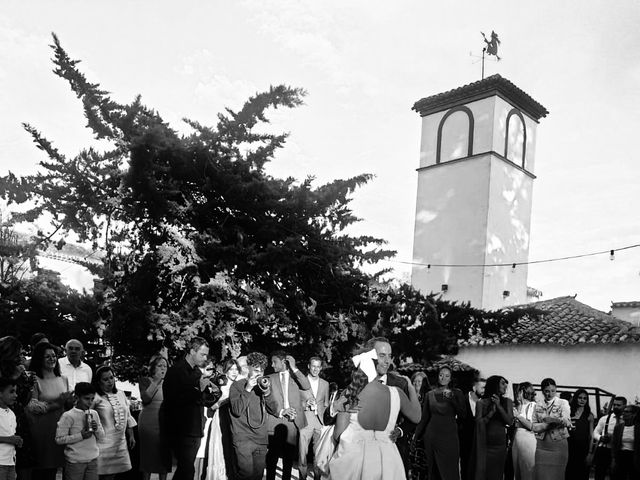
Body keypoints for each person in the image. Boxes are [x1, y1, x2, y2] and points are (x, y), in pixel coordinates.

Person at [328, 347, 422, 479]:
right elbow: (417, 417)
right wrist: (411, 388)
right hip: (388, 458)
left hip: (353, 457)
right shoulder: (397, 393)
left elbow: (338, 433)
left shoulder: (351, 394)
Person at [162, 337, 219, 480]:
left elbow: (204, 400)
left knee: (184, 471)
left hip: (195, 428)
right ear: (192, 351)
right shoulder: (176, 371)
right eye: (203, 354)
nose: (205, 358)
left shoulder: (197, 372)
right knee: (187, 471)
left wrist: (214, 392)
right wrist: (198, 389)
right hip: (181, 430)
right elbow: (172, 400)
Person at [229, 352, 279, 480]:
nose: (259, 374)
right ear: (248, 368)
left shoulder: (263, 386)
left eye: (261, 371)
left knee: (257, 475)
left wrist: (267, 393)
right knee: (245, 474)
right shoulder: (237, 386)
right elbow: (236, 410)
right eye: (256, 370)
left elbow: (274, 410)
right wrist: (248, 389)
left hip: (260, 439)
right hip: (243, 438)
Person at [369, 337, 416, 473]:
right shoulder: (359, 381)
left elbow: (414, 418)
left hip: (394, 452)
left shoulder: (400, 384)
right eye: (382, 355)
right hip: (366, 454)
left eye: (389, 356)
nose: (387, 361)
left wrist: (400, 431)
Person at [27, 342, 71, 480]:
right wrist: (57, 404)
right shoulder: (34, 379)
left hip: (61, 428)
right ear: (39, 359)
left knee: (58, 467)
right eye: (47, 356)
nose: (52, 359)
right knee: (42, 470)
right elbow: (32, 407)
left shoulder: (63, 378)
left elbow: (66, 404)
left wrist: (70, 400)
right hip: (41, 429)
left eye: (54, 356)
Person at [415, 366, 466, 480]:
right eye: (441, 375)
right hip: (431, 437)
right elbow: (424, 419)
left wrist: (452, 399)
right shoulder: (430, 394)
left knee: (450, 472)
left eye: (447, 376)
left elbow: (463, 415)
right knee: (433, 473)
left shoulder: (457, 393)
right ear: (437, 376)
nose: (443, 378)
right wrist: (415, 438)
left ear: (451, 378)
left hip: (449, 438)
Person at [265, 351, 310, 480]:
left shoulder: (295, 378)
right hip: (275, 419)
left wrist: (294, 368)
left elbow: (306, 386)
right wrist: (281, 411)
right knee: (272, 457)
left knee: (288, 458)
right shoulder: (270, 378)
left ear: (284, 362)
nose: (272, 365)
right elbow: (268, 399)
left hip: (292, 422)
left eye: (275, 362)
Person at [92, 365, 136, 480]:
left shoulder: (121, 394)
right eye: (105, 379)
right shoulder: (95, 397)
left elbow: (128, 416)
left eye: (111, 378)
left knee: (113, 475)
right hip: (102, 444)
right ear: (98, 381)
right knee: (100, 474)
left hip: (120, 443)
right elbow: (87, 416)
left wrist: (131, 435)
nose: (110, 381)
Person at [199, 358, 240, 480]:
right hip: (222, 417)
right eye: (231, 369)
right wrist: (226, 401)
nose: (234, 372)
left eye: (236, 369)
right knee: (220, 448)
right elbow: (211, 404)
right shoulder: (219, 383)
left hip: (235, 420)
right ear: (226, 370)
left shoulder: (240, 384)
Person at [55, 382, 105, 480]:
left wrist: (96, 429)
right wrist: (80, 436)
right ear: (77, 398)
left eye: (92, 399)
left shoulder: (94, 413)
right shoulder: (68, 416)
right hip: (75, 462)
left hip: (93, 460)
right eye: (86, 399)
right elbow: (59, 439)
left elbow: (102, 437)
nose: (90, 402)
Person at [0, 336, 34, 480]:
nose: (21, 357)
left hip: (19, 418)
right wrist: (15, 376)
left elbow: (24, 400)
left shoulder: (20, 370)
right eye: (18, 354)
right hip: (2, 418)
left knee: (24, 463)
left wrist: (29, 385)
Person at [472, 375, 514, 480]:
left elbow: (509, 421)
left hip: (500, 446)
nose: (505, 386)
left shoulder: (507, 402)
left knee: (497, 475)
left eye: (506, 384)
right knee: (483, 474)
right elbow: (479, 423)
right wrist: (491, 413)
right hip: (484, 446)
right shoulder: (481, 403)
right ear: (495, 385)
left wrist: (499, 406)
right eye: (502, 383)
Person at [138, 354, 170, 480]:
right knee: (148, 454)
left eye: (165, 366)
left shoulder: (170, 382)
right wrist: (156, 381)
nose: (163, 368)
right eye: (160, 365)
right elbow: (145, 398)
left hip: (165, 422)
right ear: (153, 367)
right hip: (149, 422)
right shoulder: (145, 380)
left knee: (164, 454)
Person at [531, 378, 571, 480]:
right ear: (542, 391)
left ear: (556, 389)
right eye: (547, 391)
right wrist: (544, 425)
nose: (550, 394)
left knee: (557, 475)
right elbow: (534, 424)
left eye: (553, 391)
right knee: (541, 475)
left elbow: (567, 421)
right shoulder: (538, 405)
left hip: (559, 444)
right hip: (541, 445)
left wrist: (553, 420)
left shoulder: (563, 402)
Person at [298, 357, 330, 480]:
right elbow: (295, 402)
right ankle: (302, 477)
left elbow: (326, 404)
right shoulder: (301, 382)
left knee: (318, 455)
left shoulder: (325, 384)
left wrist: (326, 421)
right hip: (305, 421)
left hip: (320, 423)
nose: (315, 369)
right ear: (308, 366)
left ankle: (317, 477)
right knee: (302, 454)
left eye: (318, 366)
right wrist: (305, 404)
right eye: (313, 366)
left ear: (321, 368)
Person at [593, 396, 627, 480]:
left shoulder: (627, 420)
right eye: (614, 405)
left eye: (618, 405)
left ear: (624, 406)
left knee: (617, 475)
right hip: (604, 450)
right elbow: (595, 432)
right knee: (599, 475)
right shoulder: (605, 419)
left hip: (619, 452)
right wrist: (601, 438)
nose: (615, 407)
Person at [460, 376, 486, 480]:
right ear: (474, 388)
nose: (484, 390)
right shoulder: (462, 399)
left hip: (480, 441)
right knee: (465, 466)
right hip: (465, 440)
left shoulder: (485, 402)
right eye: (482, 388)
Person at [566, 388, 594, 480]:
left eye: (585, 398)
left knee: (581, 475)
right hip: (568, 449)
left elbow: (591, 436)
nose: (582, 400)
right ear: (575, 398)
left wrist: (590, 453)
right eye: (580, 398)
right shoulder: (568, 413)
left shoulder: (589, 415)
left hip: (583, 450)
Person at [512, 382, 536, 480]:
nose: (515, 394)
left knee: (528, 470)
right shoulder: (516, 406)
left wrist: (518, 416)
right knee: (517, 471)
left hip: (528, 440)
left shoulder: (532, 405)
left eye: (517, 392)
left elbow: (531, 426)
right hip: (516, 441)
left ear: (522, 391)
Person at [0, 377, 22, 480]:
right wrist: (8, 439)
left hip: (11, 462)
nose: (15, 395)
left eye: (16, 392)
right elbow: (8, 438)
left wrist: (17, 441)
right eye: (11, 392)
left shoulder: (12, 414)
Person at [611, 404, 640, 479]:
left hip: (634, 457)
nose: (623, 413)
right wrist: (614, 459)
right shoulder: (618, 427)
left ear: (634, 414)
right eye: (623, 411)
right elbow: (614, 444)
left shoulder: (638, 428)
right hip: (621, 456)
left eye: (627, 412)